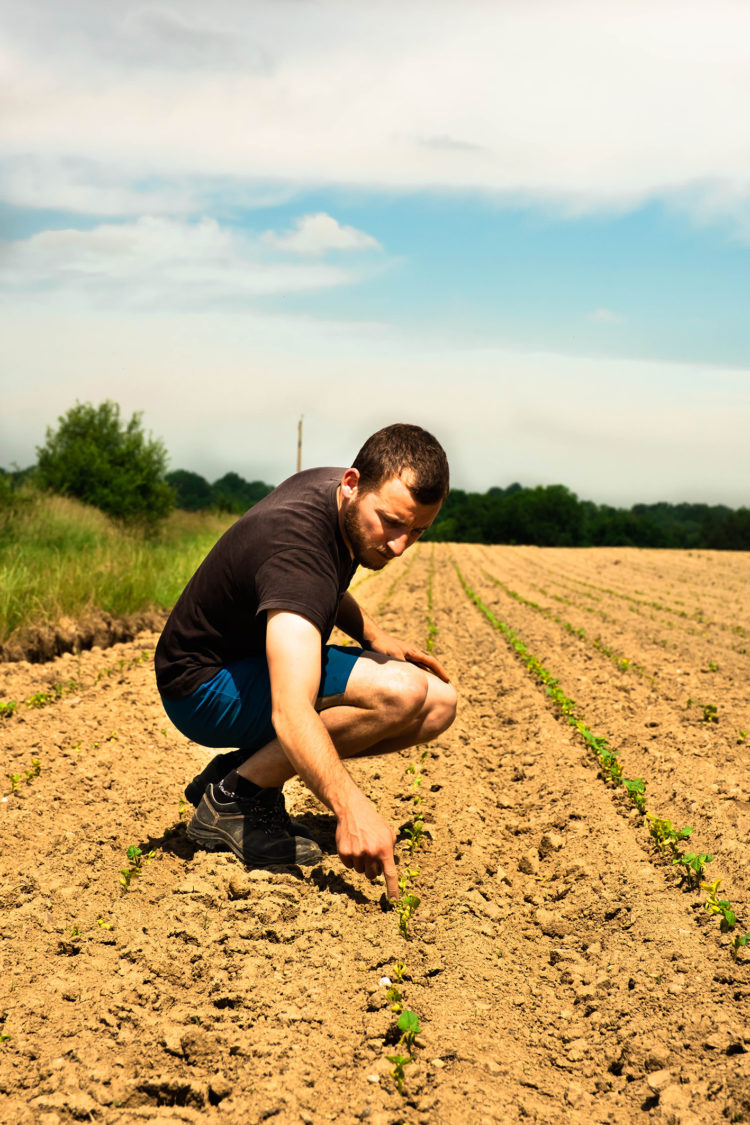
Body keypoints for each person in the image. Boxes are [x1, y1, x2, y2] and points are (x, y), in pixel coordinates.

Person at [154, 423, 456, 900]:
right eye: (392, 523)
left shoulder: (338, 495)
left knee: (439, 703)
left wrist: (376, 636)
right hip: (203, 688)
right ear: (354, 483)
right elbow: (290, 710)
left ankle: (244, 774)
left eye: (418, 530)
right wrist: (350, 809)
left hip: (242, 663)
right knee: (401, 692)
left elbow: (324, 586)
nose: (399, 545)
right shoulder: (296, 548)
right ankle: (236, 798)